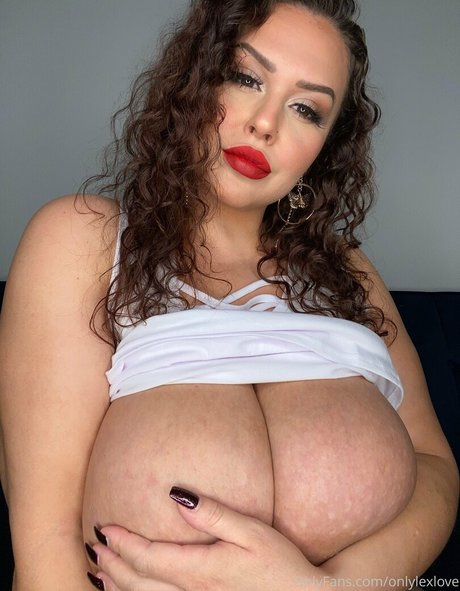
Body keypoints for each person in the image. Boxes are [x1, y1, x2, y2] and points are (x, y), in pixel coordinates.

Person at [0, 1, 458, 589]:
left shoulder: (347, 272)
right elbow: (46, 548)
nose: (266, 123)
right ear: (193, 81)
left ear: (325, 146)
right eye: (246, 78)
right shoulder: (83, 239)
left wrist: (332, 586)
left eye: (306, 109)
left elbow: (435, 468)